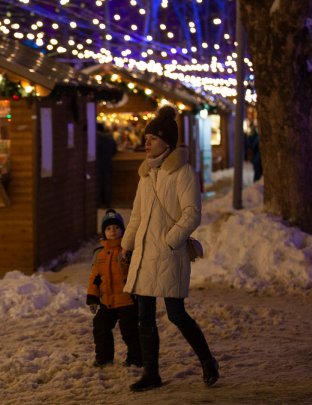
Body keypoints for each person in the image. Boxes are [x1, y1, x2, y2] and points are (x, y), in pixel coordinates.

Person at [121, 105, 219, 391]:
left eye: (152, 138)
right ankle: (152, 373)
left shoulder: (182, 172)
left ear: (166, 142)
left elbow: (192, 212)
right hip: (143, 254)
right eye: (147, 138)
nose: (147, 142)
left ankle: (207, 360)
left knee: (176, 313)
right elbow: (137, 215)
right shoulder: (146, 175)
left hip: (168, 253)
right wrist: (127, 245)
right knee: (144, 316)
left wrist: (169, 240)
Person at [86, 209, 141, 368]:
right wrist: (92, 296)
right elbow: (95, 278)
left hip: (127, 301)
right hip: (107, 301)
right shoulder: (99, 254)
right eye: (109, 228)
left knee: (130, 332)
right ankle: (104, 358)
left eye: (117, 228)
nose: (113, 231)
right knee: (100, 327)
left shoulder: (128, 251)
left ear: (123, 230)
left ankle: (136, 359)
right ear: (103, 232)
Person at [96, 123, 117, 208]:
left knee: (98, 184)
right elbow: (114, 151)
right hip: (108, 164)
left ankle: (99, 203)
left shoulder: (96, 140)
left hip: (98, 165)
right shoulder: (110, 139)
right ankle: (108, 203)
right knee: (107, 184)